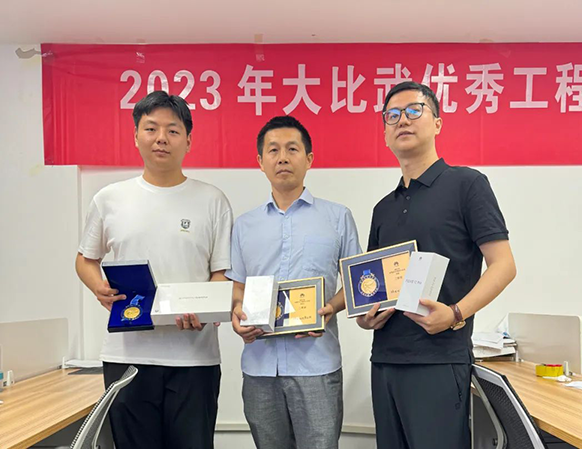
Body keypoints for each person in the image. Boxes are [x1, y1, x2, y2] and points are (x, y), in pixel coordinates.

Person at [358, 81, 517, 449]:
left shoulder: (467, 185)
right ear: (385, 132)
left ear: (438, 123)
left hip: (439, 360)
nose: (402, 120)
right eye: (392, 115)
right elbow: (372, 285)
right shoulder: (383, 208)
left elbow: (504, 265)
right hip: (384, 361)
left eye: (414, 111)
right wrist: (365, 317)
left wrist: (456, 313)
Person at [75, 91, 232, 449]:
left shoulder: (213, 200)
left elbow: (221, 273)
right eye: (151, 128)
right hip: (127, 356)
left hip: (194, 358)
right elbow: (85, 259)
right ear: (136, 136)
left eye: (173, 130)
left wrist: (207, 311)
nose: (161, 138)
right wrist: (98, 286)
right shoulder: (109, 198)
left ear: (188, 141)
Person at [225, 116, 361, 449]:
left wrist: (330, 308)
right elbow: (238, 285)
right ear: (260, 161)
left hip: (317, 363)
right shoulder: (244, 225)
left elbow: (356, 282)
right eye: (273, 150)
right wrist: (237, 315)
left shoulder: (337, 217)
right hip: (259, 365)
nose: (282, 157)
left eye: (292, 149)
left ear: (309, 158)